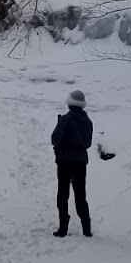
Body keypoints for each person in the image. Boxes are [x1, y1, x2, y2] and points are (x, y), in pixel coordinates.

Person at [51, 87, 93, 238]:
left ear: (69, 103)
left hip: (65, 161)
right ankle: (86, 229)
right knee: (80, 195)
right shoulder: (88, 121)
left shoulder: (66, 119)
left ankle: (63, 228)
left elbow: (55, 139)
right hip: (81, 162)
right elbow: (87, 143)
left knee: (63, 194)